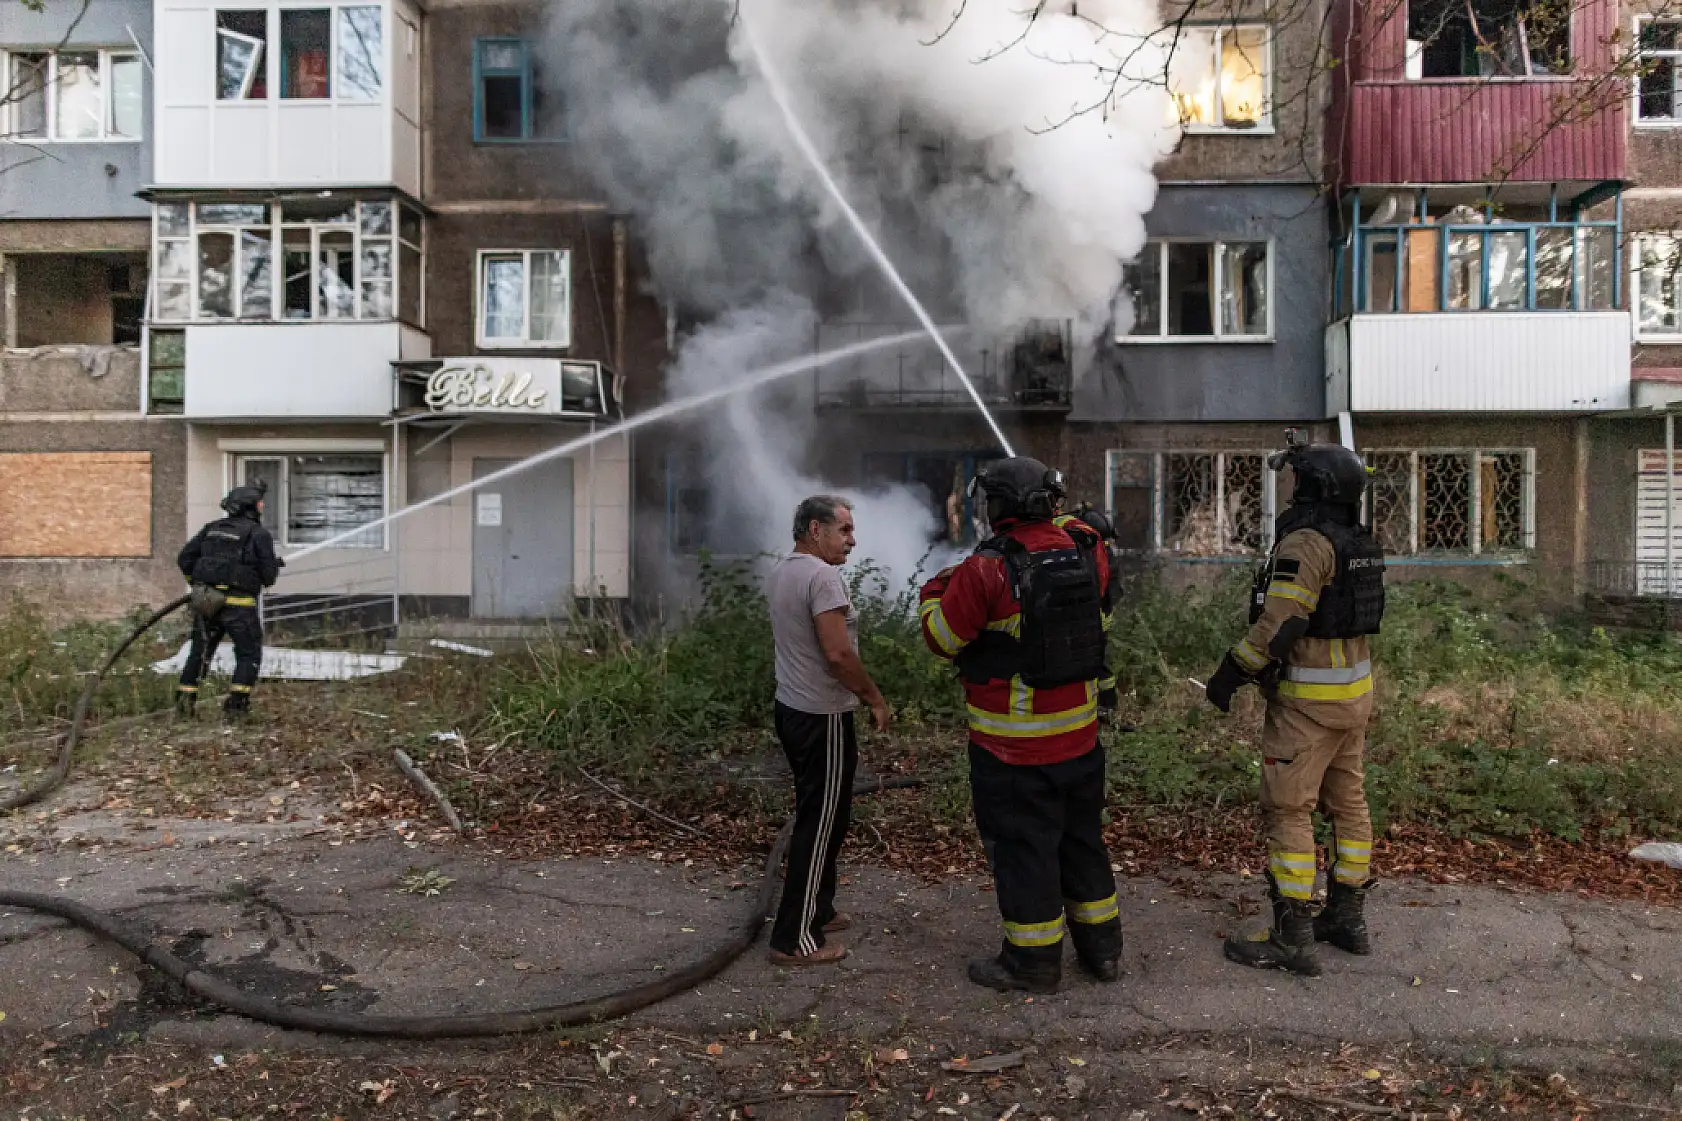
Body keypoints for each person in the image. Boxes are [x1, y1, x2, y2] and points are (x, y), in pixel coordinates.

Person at [919, 457, 1120, 993]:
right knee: (1082, 843)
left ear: (1000, 506)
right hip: (1080, 742)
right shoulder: (1085, 549)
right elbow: (1082, 533)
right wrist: (1067, 519)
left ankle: (1032, 963)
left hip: (1013, 750)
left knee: (1024, 851)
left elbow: (942, 638)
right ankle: (1103, 952)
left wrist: (935, 590)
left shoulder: (985, 571)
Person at [1204, 435, 1385, 977]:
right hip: (1353, 697)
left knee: (1288, 810)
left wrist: (1231, 672)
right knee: (1348, 806)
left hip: (1307, 702)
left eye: (1297, 478)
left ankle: (1292, 936)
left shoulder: (1306, 544)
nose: (1293, 487)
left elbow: (1281, 621)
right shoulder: (1359, 541)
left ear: (1312, 487)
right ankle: (1347, 920)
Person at [766, 495, 890, 966]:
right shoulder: (822, 577)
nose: (852, 540)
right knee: (820, 822)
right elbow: (837, 654)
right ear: (815, 530)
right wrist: (874, 698)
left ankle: (819, 907)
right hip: (823, 717)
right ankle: (794, 939)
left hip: (792, 710)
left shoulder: (784, 572)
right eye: (844, 530)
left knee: (824, 815)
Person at [176, 483, 281, 720]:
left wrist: (197, 584)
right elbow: (268, 577)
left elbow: (184, 558)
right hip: (240, 607)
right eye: (259, 503)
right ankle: (236, 708)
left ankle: (184, 707)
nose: (262, 506)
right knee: (248, 655)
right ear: (250, 507)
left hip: (207, 604)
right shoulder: (258, 534)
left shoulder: (211, 529)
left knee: (199, 653)